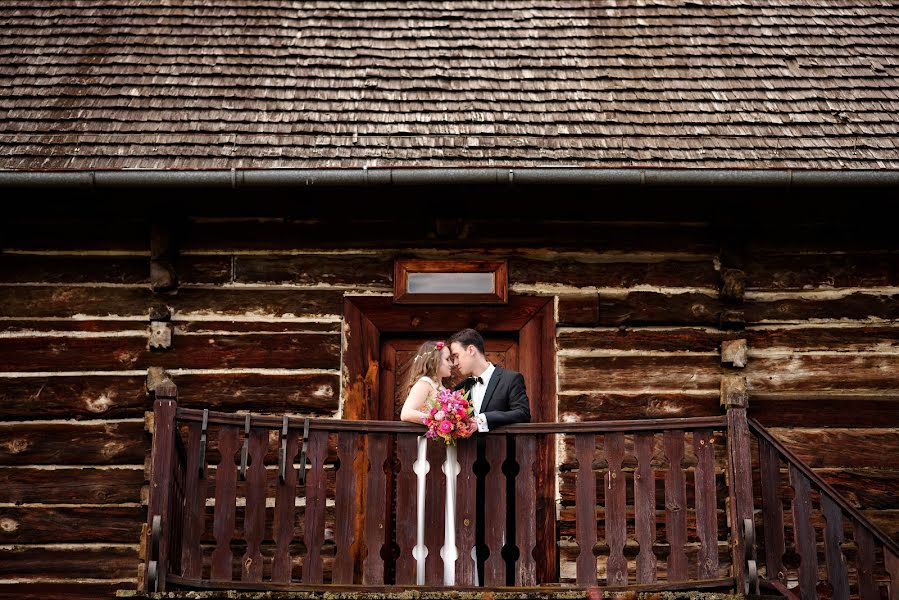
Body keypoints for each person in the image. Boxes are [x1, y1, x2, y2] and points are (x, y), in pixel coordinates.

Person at [398, 340, 458, 585]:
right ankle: (426, 576)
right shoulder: (425, 384)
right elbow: (407, 413)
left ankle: (450, 573)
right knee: (432, 506)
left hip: (445, 452)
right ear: (433, 361)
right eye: (446, 359)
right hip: (430, 451)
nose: (451, 364)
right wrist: (438, 418)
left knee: (449, 508)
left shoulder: (440, 386)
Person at [447, 328, 531, 431]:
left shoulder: (511, 379)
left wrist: (484, 419)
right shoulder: (460, 388)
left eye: (456, 356)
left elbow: (523, 413)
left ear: (471, 350)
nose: (455, 363)